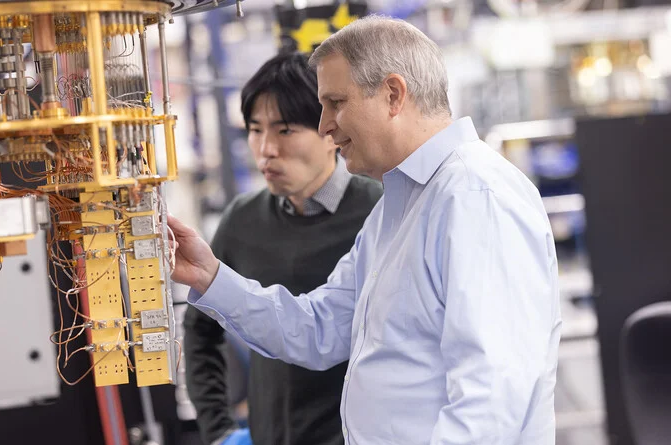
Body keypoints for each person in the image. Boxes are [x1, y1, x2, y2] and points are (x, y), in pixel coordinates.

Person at [169, 15, 562, 445]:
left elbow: (491, 401)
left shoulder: (475, 197)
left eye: (336, 102)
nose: (324, 125)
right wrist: (209, 278)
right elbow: (319, 327)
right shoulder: (397, 209)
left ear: (393, 94)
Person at [183, 52, 383, 445]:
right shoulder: (243, 219)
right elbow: (199, 331)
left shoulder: (378, 211)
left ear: (330, 131)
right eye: (255, 130)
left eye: (285, 130)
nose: (265, 149)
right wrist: (218, 430)